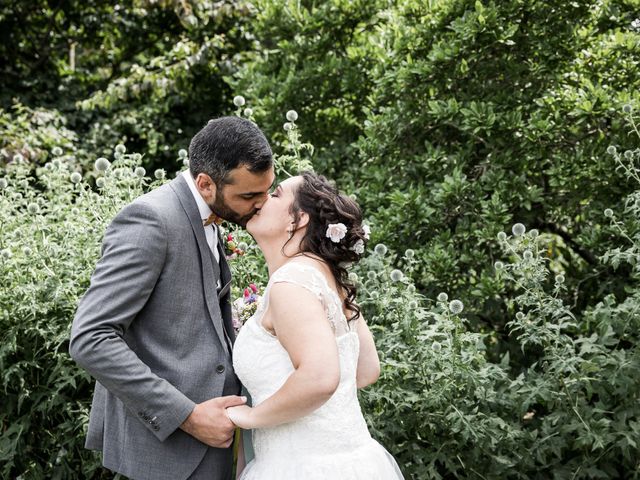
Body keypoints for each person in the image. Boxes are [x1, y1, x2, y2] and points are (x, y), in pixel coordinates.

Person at [69, 117, 275, 480]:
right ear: (205, 183)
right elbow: (91, 338)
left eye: (267, 192)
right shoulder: (150, 220)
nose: (262, 205)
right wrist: (187, 416)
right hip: (168, 450)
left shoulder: (208, 215)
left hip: (215, 442)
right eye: (249, 196)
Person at [227, 171, 404, 479]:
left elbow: (321, 378)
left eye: (277, 194)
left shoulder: (290, 283)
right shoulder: (328, 279)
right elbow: (365, 370)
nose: (263, 198)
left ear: (297, 221)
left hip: (300, 467)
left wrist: (252, 417)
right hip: (355, 462)